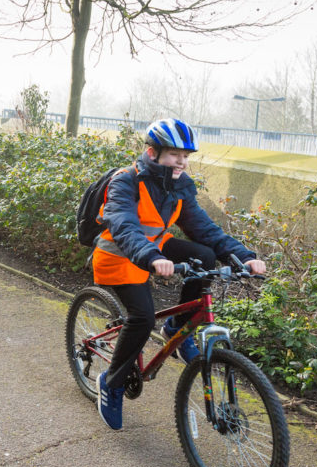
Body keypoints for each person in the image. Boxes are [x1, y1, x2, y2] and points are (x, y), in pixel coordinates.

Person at [93, 118, 267, 431]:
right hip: (118, 257)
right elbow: (123, 226)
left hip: (154, 252)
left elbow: (203, 227)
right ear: (152, 153)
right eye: (175, 155)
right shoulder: (126, 181)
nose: (182, 162)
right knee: (143, 319)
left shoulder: (179, 185)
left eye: (186, 156)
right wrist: (152, 257)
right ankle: (111, 382)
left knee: (204, 254)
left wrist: (244, 256)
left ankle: (177, 326)